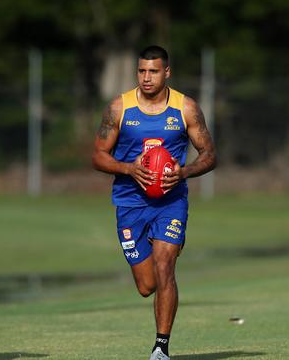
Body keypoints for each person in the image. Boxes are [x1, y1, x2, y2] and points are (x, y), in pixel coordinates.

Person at [92, 45, 216, 360]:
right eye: (142, 71)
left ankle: (161, 347)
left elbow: (210, 155)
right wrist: (129, 169)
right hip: (130, 203)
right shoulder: (119, 108)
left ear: (167, 72)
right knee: (147, 285)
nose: (147, 78)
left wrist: (184, 172)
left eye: (154, 71)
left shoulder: (185, 108)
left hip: (170, 202)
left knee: (165, 268)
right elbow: (98, 156)